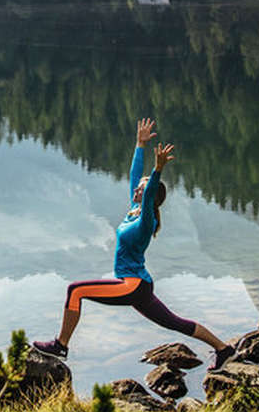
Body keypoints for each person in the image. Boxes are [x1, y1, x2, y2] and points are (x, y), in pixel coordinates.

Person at [34, 118, 235, 369]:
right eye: (139, 187)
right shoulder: (134, 210)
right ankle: (224, 348)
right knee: (175, 322)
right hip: (140, 285)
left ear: (148, 196)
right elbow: (133, 175)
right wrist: (139, 144)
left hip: (132, 285)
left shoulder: (145, 221)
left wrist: (158, 170)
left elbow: (150, 190)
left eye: (141, 187)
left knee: (76, 290)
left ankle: (61, 345)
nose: (137, 188)